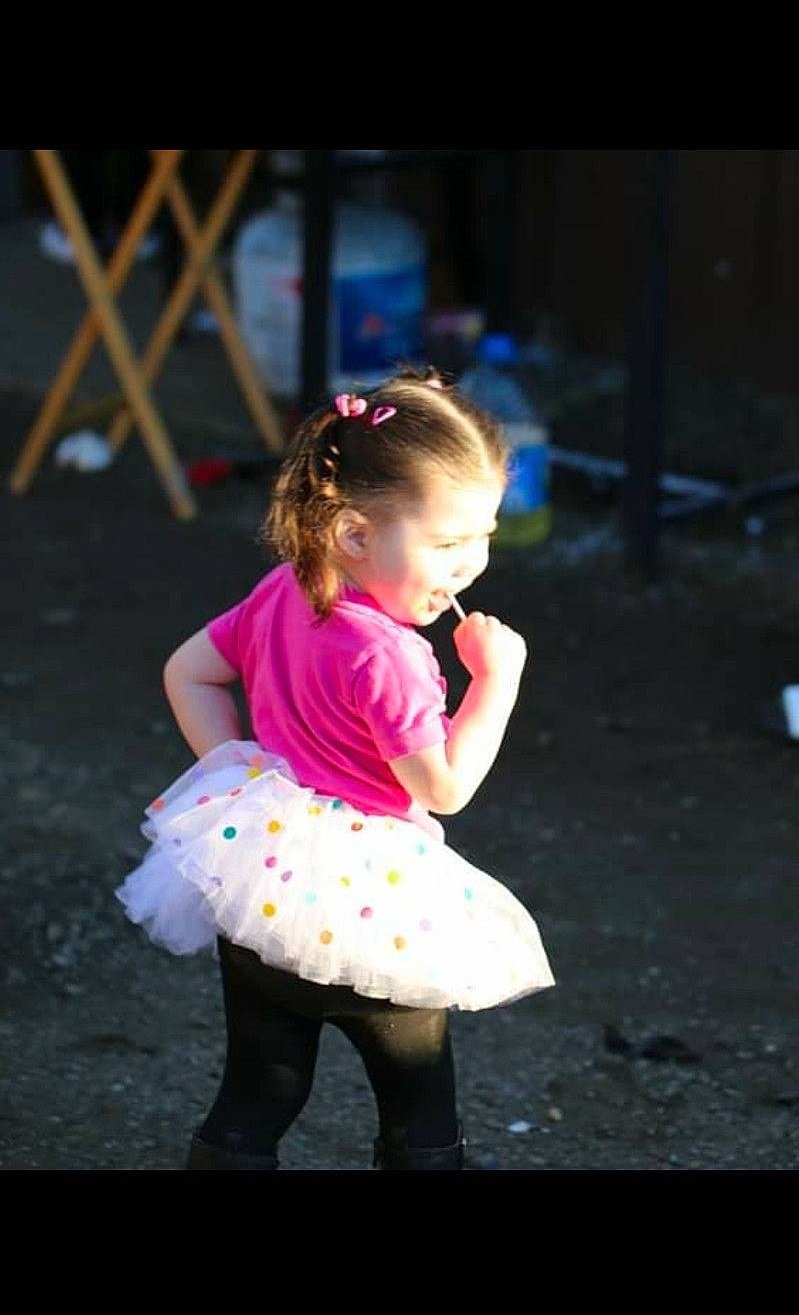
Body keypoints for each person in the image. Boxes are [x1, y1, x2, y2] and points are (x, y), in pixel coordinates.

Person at [116, 366, 554, 1169]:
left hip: (262, 887)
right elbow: (444, 788)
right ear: (354, 533)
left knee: (258, 1091)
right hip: (370, 913)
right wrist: (497, 679)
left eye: (482, 536)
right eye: (447, 544)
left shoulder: (283, 590)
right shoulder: (388, 655)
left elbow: (190, 672)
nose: (469, 566)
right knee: (418, 1104)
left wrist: (240, 776)